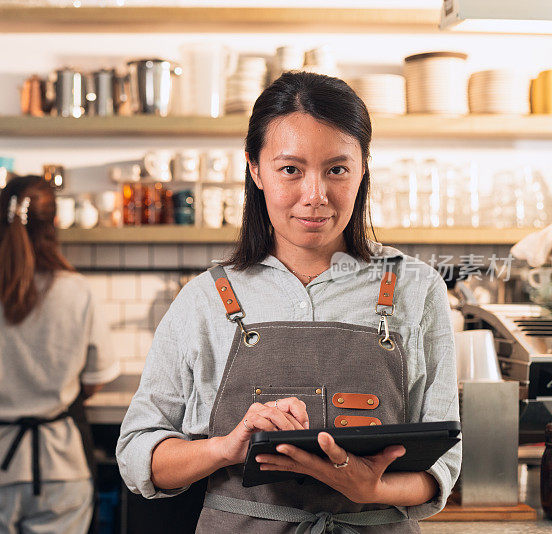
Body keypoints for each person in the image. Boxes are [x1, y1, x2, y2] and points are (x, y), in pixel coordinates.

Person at [116, 71, 461, 533]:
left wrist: (372, 490)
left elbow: (442, 464)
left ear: (363, 170)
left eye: (337, 169)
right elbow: (139, 454)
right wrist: (226, 447)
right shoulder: (205, 299)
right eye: (290, 170)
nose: (314, 196)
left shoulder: (417, 289)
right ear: (255, 170)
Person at [0, 175, 119, 534]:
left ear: (0, 220)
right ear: (55, 224)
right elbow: (94, 380)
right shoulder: (78, 291)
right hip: (62, 466)